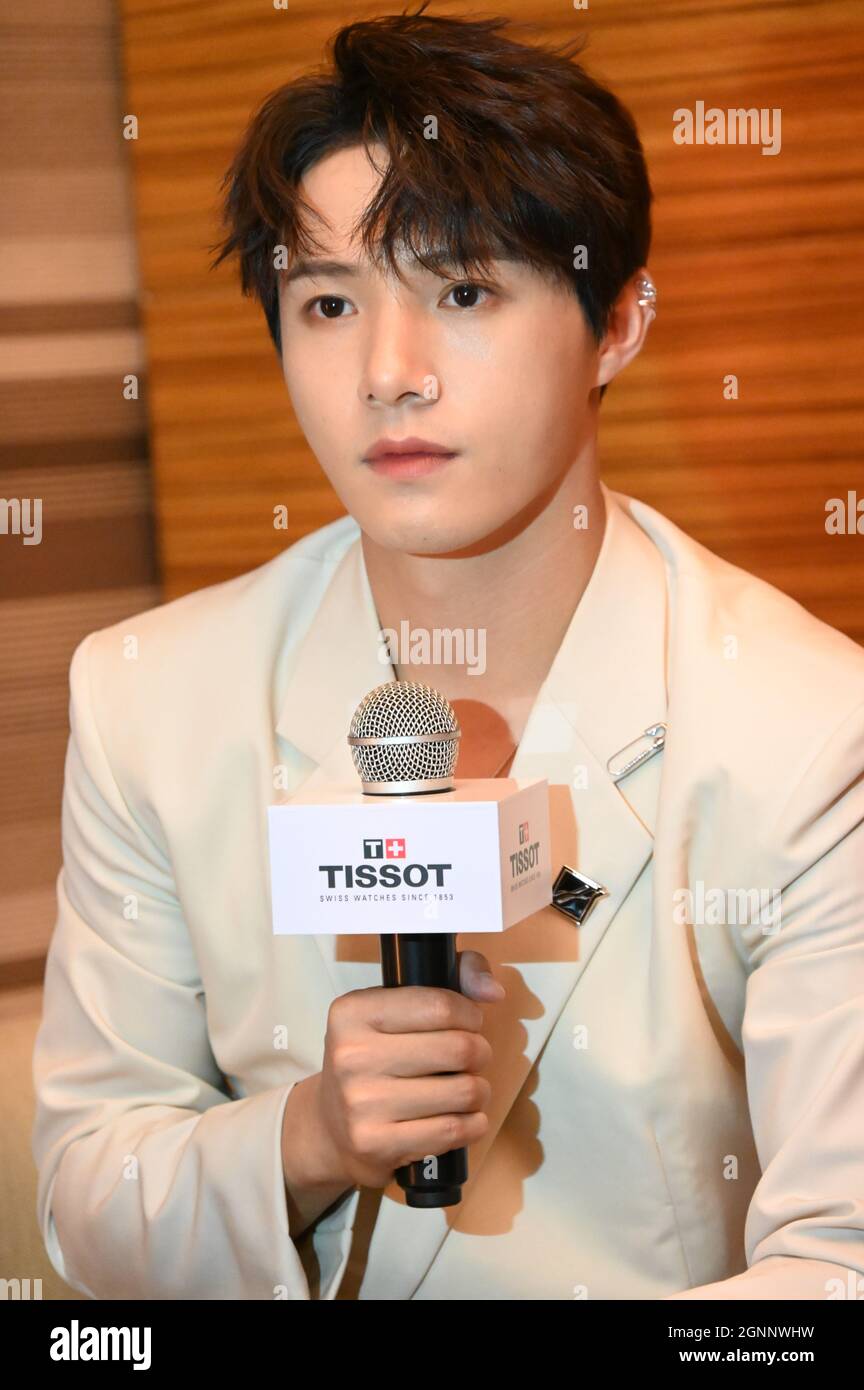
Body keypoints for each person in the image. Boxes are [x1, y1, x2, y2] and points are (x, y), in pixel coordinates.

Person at [32, 9, 864, 1301]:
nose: (388, 373)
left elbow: (839, 1263)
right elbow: (87, 1204)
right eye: (327, 301)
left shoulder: (807, 729)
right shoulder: (152, 701)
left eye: (463, 290)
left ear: (621, 323)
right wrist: (305, 1138)